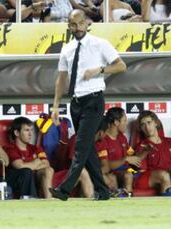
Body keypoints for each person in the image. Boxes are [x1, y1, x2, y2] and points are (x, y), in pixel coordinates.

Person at [49, 9, 127, 201]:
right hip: (75, 103)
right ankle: (103, 191)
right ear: (69, 26)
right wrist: (55, 106)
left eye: (80, 23)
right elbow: (61, 80)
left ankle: (65, 189)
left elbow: (121, 66)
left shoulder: (100, 44)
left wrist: (100, 70)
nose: (77, 28)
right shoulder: (66, 49)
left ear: (87, 23)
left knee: (81, 146)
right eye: (73, 25)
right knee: (88, 149)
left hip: (93, 101)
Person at [4, 117, 54, 198]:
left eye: (31, 130)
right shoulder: (10, 148)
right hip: (20, 180)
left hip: (36, 177)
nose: (30, 134)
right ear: (16, 133)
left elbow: (46, 163)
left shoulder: (35, 148)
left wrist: (30, 165)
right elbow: (19, 166)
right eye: (27, 130)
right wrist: (36, 162)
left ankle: (49, 201)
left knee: (49, 170)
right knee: (27, 172)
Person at [95, 107, 140, 197]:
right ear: (116, 122)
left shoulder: (122, 138)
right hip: (110, 173)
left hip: (124, 170)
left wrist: (144, 153)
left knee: (130, 173)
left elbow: (132, 157)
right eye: (124, 121)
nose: (126, 124)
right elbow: (105, 166)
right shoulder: (102, 139)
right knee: (127, 175)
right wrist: (125, 159)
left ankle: (129, 200)